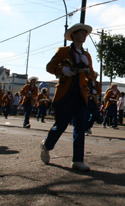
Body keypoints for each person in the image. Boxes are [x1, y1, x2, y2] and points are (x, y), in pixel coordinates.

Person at [41, 23, 95, 171]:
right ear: (73, 35)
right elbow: (49, 67)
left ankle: (77, 160)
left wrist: (88, 69)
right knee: (61, 125)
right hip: (66, 94)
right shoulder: (63, 51)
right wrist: (62, 69)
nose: (84, 35)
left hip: (81, 95)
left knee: (80, 127)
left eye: (85, 33)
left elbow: (92, 76)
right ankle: (46, 145)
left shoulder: (87, 55)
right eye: (81, 33)